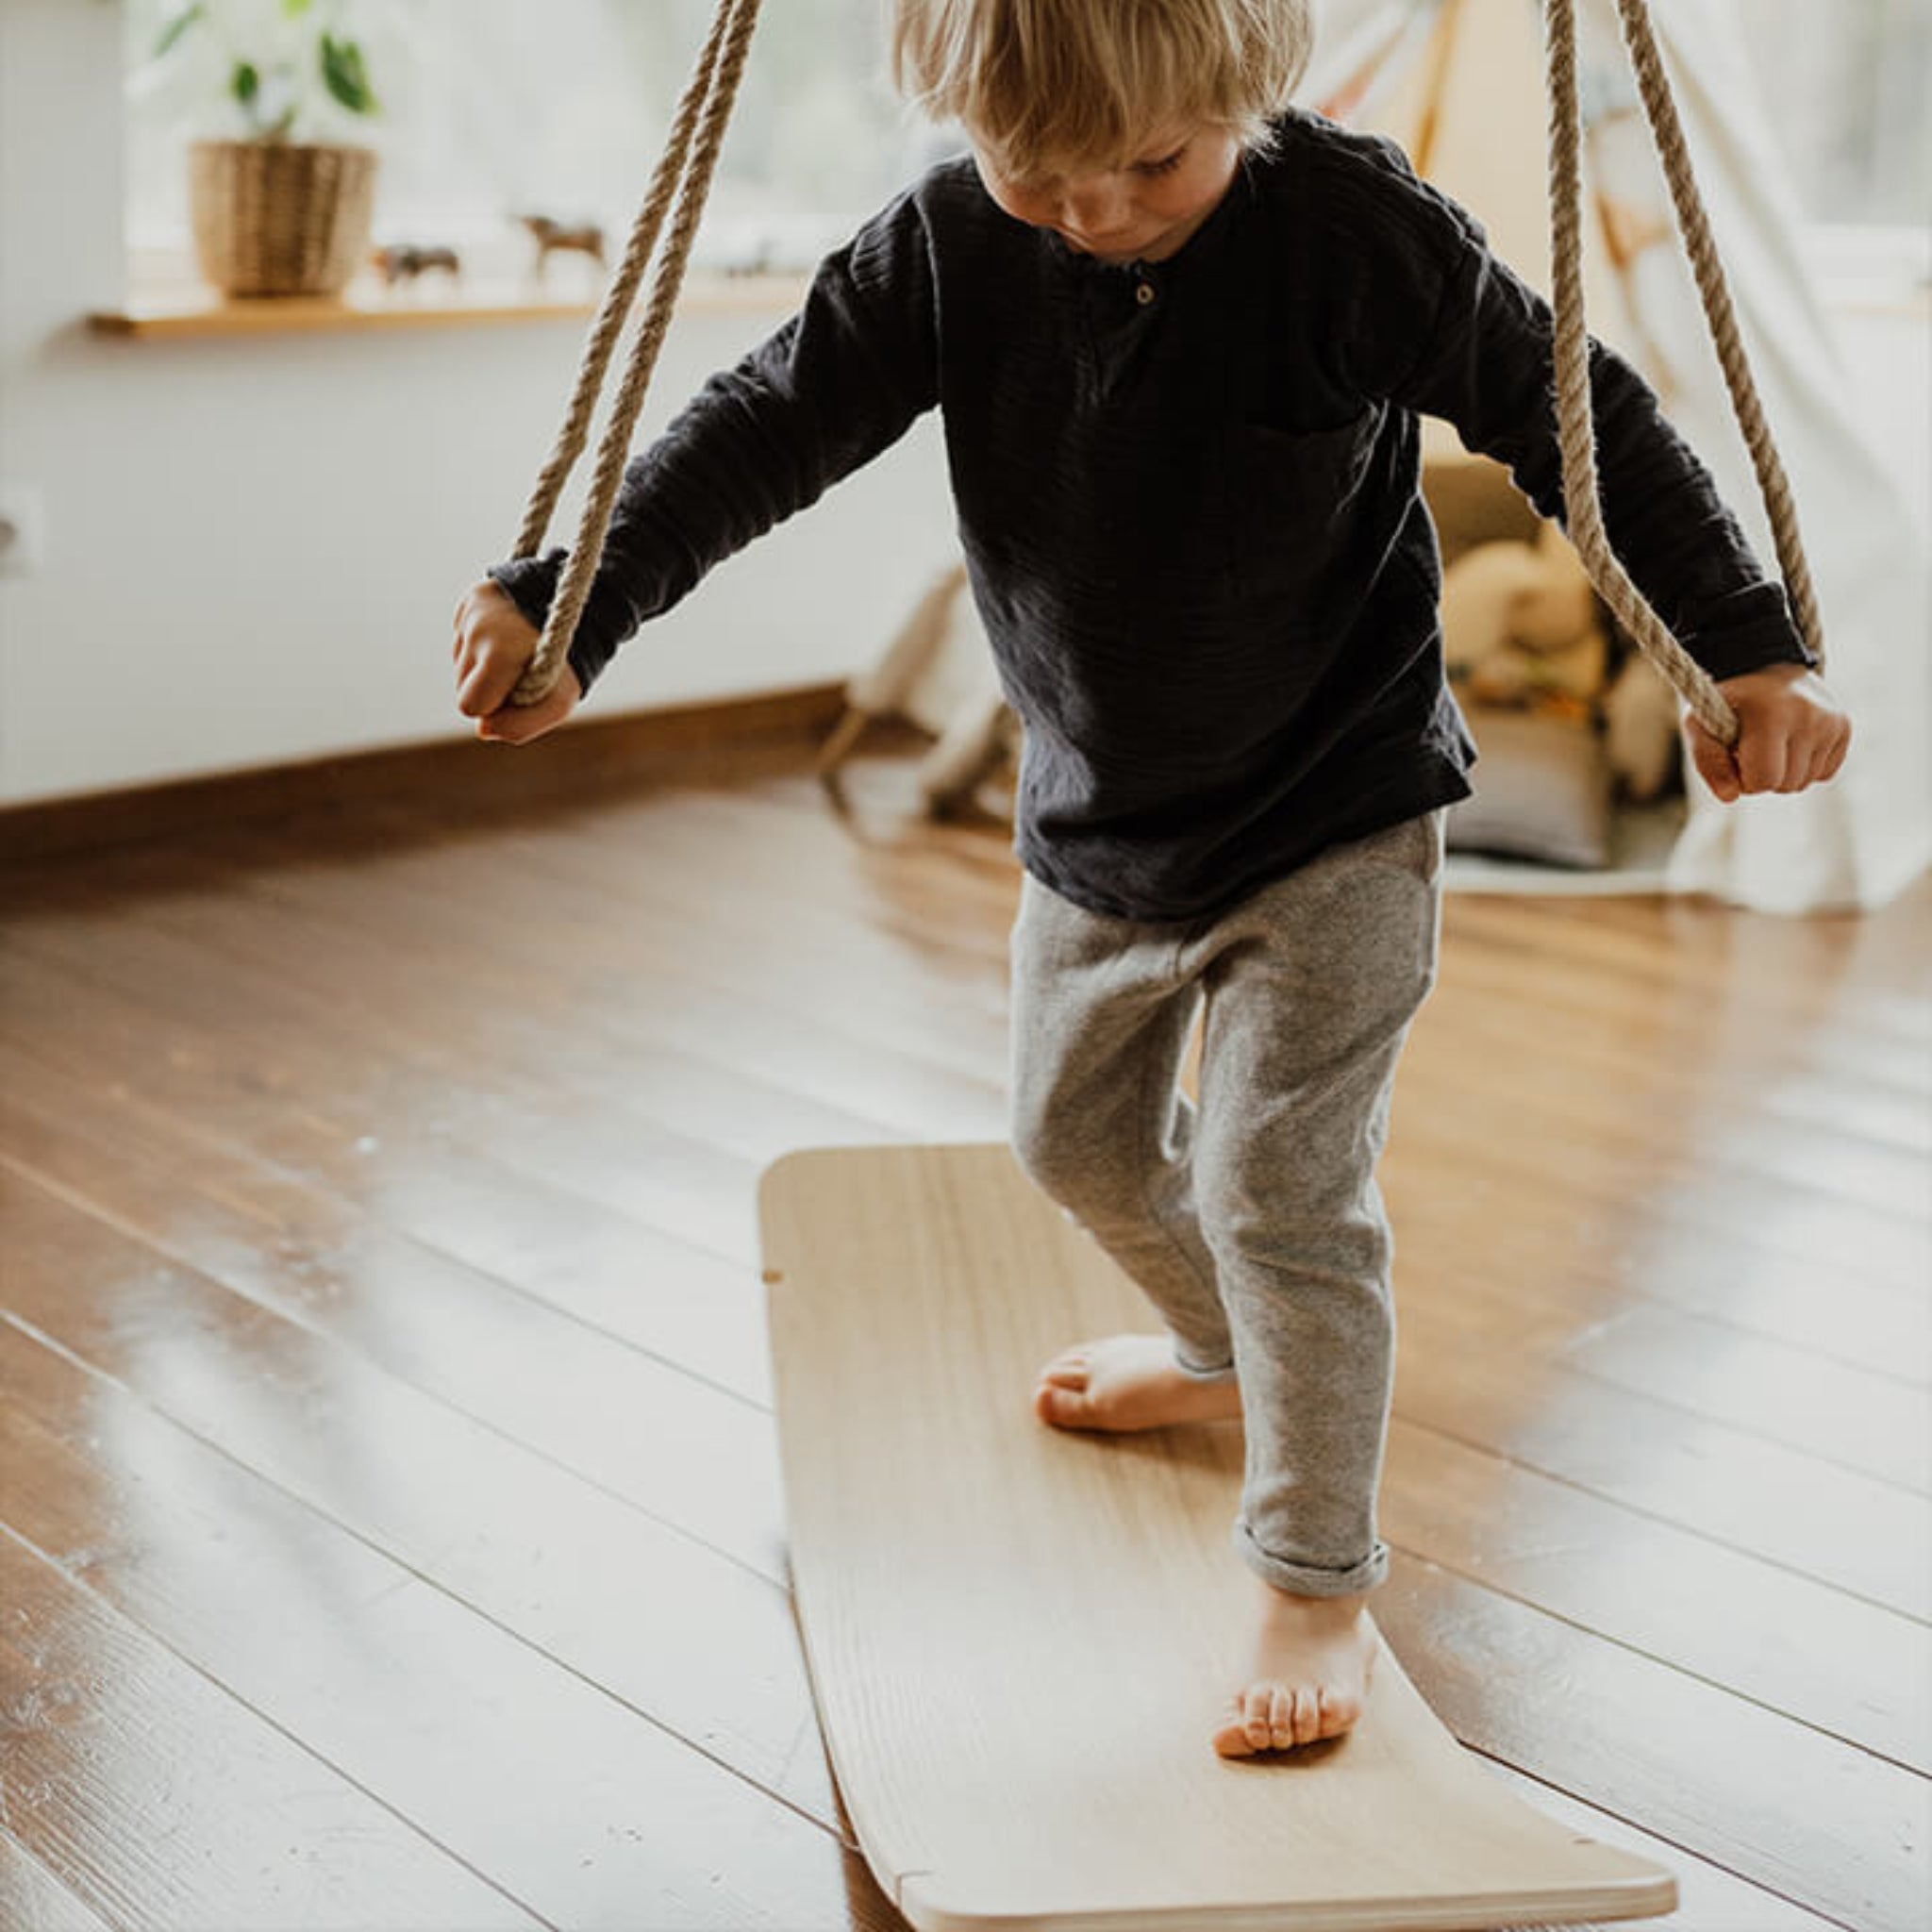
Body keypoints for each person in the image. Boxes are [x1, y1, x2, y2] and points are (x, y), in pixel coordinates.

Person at [451, 0, 1851, 1759]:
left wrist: (1745, 649)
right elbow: (765, 423)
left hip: (1337, 804)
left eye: (1154, 165)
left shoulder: (1352, 232)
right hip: (1103, 819)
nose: (1099, 209)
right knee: (1073, 1141)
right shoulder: (951, 244)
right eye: (1039, 171)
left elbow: (1580, 420)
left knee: (1282, 1187)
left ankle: (1314, 1572)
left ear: (1253, 93)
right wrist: (581, 598)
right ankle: (1216, 1356)